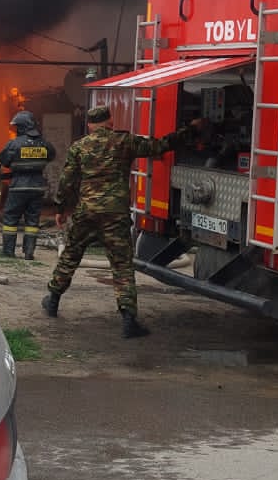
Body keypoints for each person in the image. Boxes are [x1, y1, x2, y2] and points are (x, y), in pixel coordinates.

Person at [41, 103, 199, 337]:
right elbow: (160, 145)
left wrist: (62, 208)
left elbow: (67, 181)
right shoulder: (124, 142)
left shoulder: (79, 146)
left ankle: (53, 300)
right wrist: (191, 130)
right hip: (115, 214)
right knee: (122, 264)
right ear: (110, 122)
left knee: (71, 255)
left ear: (90, 125)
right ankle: (128, 319)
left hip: (86, 212)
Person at [0, 110, 56, 259]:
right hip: (37, 187)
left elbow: (3, 160)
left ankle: (8, 252)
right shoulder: (44, 143)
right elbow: (52, 155)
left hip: (18, 186)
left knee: (10, 219)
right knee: (32, 220)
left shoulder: (14, 144)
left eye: (17, 127)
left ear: (23, 127)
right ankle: (29, 252)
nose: (16, 129)